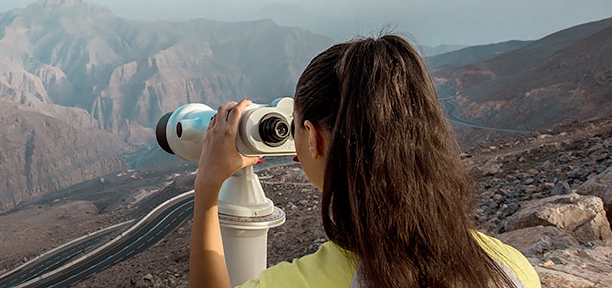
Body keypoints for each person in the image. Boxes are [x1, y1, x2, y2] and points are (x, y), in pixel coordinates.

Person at [189, 35, 540, 288]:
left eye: (294, 125)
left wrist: (207, 188)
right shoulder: (512, 268)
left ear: (313, 138)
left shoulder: (305, 282)